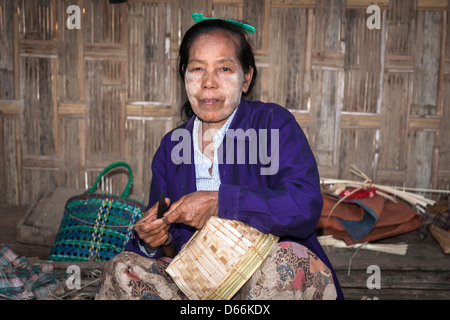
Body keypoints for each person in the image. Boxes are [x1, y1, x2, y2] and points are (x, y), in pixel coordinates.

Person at [96, 15, 343, 300]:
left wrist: (220, 201)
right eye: (197, 68)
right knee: (121, 268)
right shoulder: (171, 147)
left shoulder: (273, 124)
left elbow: (304, 206)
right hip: (196, 289)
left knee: (286, 260)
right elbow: (171, 250)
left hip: (265, 285)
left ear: (246, 78)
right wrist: (157, 240)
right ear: (184, 75)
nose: (209, 83)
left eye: (224, 68)